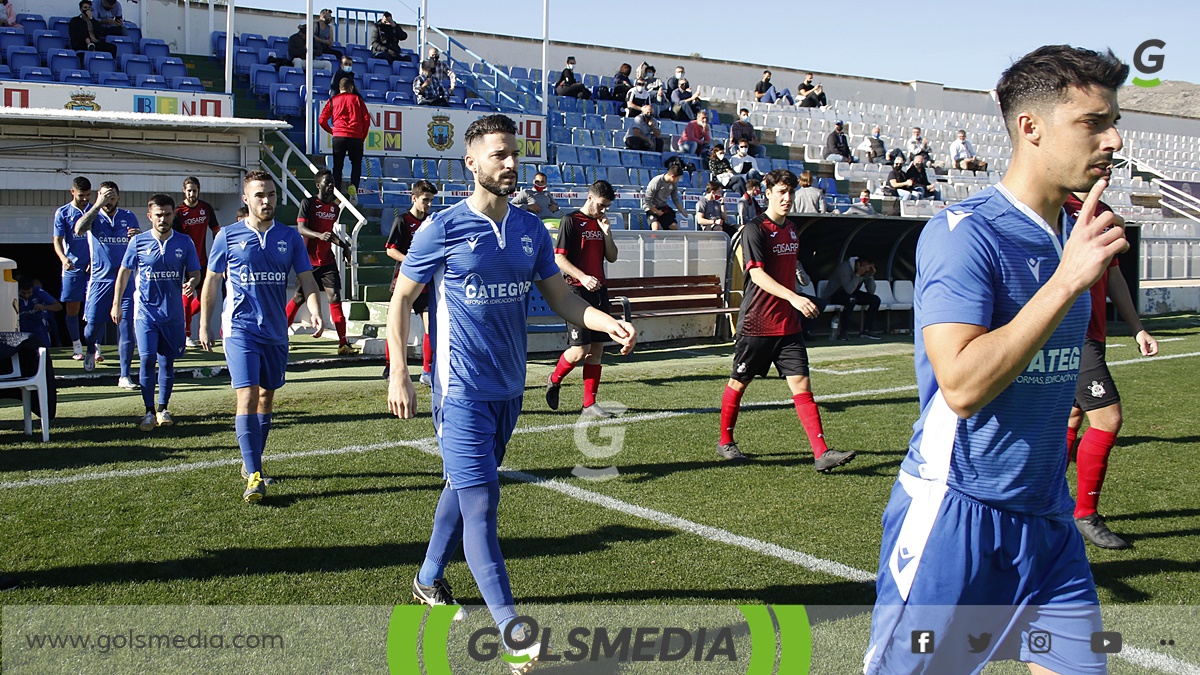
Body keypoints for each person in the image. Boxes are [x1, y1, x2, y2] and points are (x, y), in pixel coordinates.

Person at [864, 44, 1129, 675]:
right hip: (957, 516)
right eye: (1093, 123)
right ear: (1029, 127)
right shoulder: (965, 233)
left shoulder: (1073, 231)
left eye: (1114, 120)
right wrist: (1067, 280)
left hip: (1047, 520)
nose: (1114, 139)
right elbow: (961, 384)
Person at [386, 114, 636, 661]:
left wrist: (601, 320)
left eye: (514, 154)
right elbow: (402, 299)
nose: (510, 163)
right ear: (470, 162)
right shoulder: (442, 228)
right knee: (482, 502)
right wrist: (400, 370)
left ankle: (428, 579)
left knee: (463, 485)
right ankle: (513, 633)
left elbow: (560, 297)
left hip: (509, 388)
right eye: (499, 154)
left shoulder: (528, 230)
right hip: (459, 389)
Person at [717, 168, 855, 471]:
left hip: (787, 325)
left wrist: (797, 289)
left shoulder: (792, 229)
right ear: (768, 193)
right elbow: (756, 274)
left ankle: (821, 452)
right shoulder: (755, 229)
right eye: (781, 192)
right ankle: (725, 441)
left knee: (802, 384)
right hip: (757, 322)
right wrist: (793, 297)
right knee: (739, 382)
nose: (787, 198)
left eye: (790, 192)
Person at [199, 171, 325, 503]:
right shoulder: (227, 236)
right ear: (246, 199)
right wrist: (203, 323)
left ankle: (251, 459)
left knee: (267, 398)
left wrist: (314, 308)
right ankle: (254, 476)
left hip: (275, 331)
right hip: (240, 329)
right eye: (259, 195)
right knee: (248, 397)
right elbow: (211, 281)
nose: (266, 200)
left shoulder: (291, 237)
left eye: (270, 194)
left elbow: (307, 279)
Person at [1064, 193, 1157, 550]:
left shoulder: (1101, 210)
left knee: (1072, 416)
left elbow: (1114, 276)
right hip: (1073, 332)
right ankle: (1085, 514)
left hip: (1095, 332)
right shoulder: (1056, 206)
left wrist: (1137, 327)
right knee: (1108, 419)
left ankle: (1049, 504)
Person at [113, 194, 201, 432]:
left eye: (167, 214)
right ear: (150, 216)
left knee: (167, 362)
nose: (163, 218)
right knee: (147, 358)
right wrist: (116, 303)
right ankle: (148, 411)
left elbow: (195, 272)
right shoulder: (138, 242)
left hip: (173, 314)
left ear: (174, 215)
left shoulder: (184, 242)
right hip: (145, 313)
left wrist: (192, 283)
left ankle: (163, 408)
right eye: (159, 214)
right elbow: (124, 273)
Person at [545, 180, 620, 417]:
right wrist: (583, 276)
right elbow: (559, 260)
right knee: (579, 350)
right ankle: (554, 379)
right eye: (601, 205)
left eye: (607, 206)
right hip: (576, 291)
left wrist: (607, 233)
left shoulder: (601, 222)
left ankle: (589, 404)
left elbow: (613, 257)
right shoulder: (571, 220)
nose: (603, 210)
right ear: (590, 197)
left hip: (600, 291)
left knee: (597, 348)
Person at [75, 181, 141, 386]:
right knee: (92, 327)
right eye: (104, 196)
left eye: (111, 197)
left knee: (126, 327)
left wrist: (138, 237)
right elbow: (78, 230)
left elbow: (139, 243)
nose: (108, 201)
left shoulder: (128, 216)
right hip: (99, 280)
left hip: (125, 281)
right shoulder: (93, 215)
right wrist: (96, 205)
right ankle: (90, 349)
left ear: (118, 198)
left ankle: (124, 375)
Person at [286, 169, 354, 356]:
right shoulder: (307, 203)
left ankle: (343, 343)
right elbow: (301, 228)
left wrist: (345, 247)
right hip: (307, 260)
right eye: (327, 182)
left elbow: (329, 234)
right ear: (318, 185)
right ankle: (281, 338)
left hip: (327, 260)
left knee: (335, 298)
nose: (331, 185)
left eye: (333, 182)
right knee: (299, 298)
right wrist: (318, 235)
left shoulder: (334, 208)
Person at [382, 180, 437, 384]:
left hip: (426, 284)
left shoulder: (432, 222)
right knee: (397, 326)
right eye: (425, 200)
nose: (428, 205)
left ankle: (427, 372)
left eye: (431, 201)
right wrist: (413, 262)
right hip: (404, 283)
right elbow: (390, 250)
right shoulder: (402, 221)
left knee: (430, 326)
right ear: (414, 198)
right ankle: (391, 367)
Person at [174, 177, 220, 348]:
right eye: (188, 190)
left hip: (202, 260)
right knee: (187, 296)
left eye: (194, 190)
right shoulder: (179, 212)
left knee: (203, 299)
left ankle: (180, 319)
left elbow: (216, 230)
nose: (191, 193)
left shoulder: (206, 208)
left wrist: (218, 251)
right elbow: (176, 238)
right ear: (183, 191)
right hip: (185, 262)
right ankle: (186, 334)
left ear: (199, 190)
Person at [52, 176, 93, 360]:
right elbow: (57, 240)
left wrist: (95, 260)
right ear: (72, 192)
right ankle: (77, 346)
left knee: (95, 307)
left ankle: (95, 346)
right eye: (81, 195)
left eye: (88, 195)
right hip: (74, 266)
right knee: (73, 308)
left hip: (94, 267)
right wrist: (63, 258)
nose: (85, 199)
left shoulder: (95, 211)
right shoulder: (63, 213)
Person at [319, 77, 371, 203]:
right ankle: (353, 189)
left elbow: (321, 120)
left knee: (338, 166)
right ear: (351, 87)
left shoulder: (333, 100)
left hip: (339, 136)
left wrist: (333, 131)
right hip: (355, 137)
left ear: (339, 88)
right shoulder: (357, 100)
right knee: (356, 165)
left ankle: (337, 195)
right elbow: (366, 120)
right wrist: (362, 136)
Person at [822, 256, 881, 340]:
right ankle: (844, 331)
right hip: (835, 293)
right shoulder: (844, 268)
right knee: (851, 299)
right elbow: (849, 290)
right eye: (865, 267)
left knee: (875, 299)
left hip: (852, 292)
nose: (866, 270)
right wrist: (858, 275)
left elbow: (871, 291)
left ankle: (867, 330)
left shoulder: (866, 272)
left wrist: (871, 276)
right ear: (857, 265)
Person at [16, 277, 60, 349]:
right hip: (22, 327)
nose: (26, 295)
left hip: (38, 327)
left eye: (29, 292)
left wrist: (44, 307)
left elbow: (58, 306)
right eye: (23, 293)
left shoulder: (39, 292)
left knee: (44, 350)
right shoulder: (12, 293)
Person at [642, 163, 686, 230]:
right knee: (656, 228)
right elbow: (647, 201)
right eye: (678, 178)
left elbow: (675, 198)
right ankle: (653, 239)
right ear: (673, 176)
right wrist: (657, 211)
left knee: (674, 227)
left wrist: (682, 211)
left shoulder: (674, 183)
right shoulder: (656, 182)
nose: (678, 180)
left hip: (663, 206)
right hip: (651, 207)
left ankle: (668, 240)